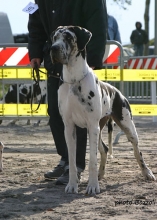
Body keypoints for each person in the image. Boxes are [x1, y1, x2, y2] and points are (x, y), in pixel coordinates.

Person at [28, 0, 107, 185]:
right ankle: (65, 159)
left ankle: (76, 167)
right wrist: (35, 53)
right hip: (54, 62)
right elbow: (35, 22)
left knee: (79, 116)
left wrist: (93, 57)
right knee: (55, 113)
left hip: (80, 64)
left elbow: (98, 21)